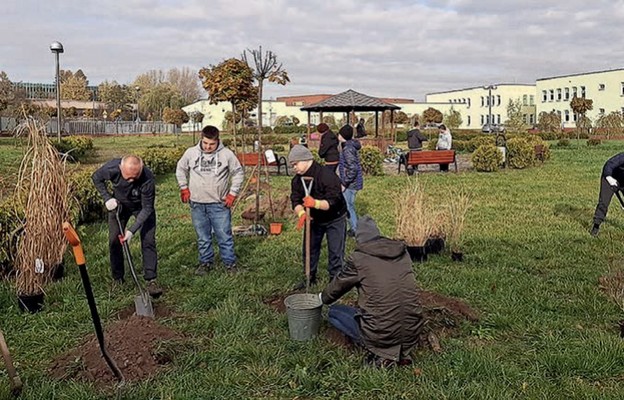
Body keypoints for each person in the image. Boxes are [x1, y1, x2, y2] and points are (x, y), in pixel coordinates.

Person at [318, 215, 425, 367]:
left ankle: (382, 356)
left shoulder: (359, 258)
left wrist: (321, 298)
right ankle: (401, 353)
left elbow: (337, 287)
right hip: (412, 330)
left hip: (382, 336)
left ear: (359, 239)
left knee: (335, 312)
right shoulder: (403, 253)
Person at [175, 125, 244, 275]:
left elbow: (238, 172)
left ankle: (230, 263)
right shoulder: (191, 153)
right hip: (197, 204)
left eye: (212, 144)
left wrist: (232, 193)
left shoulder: (226, 154)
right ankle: (205, 262)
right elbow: (180, 169)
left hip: (219, 204)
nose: (208, 147)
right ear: (201, 139)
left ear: (218, 141)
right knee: (203, 236)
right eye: (205, 143)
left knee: (224, 235)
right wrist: (184, 187)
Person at [92, 155, 163, 297]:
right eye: (128, 177)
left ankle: (151, 279)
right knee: (114, 241)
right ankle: (118, 278)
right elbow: (96, 177)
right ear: (120, 168)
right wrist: (107, 198)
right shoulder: (112, 168)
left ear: (141, 169)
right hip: (119, 206)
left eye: (135, 177)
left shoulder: (147, 178)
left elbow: (147, 208)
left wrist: (131, 230)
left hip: (141, 207)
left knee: (148, 240)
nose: (131, 180)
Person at [289, 144, 347, 289]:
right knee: (310, 248)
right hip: (314, 219)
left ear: (305, 160)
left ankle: (335, 281)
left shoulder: (327, 175)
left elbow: (334, 201)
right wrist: (301, 213)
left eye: (295, 164)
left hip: (335, 217)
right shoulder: (297, 180)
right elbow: (295, 200)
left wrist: (315, 203)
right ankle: (309, 276)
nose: (294, 168)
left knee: (335, 250)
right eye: (292, 165)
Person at [337, 125, 363, 237]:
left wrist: (345, 183)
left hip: (350, 183)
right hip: (352, 182)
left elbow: (353, 168)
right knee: (348, 205)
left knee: (348, 206)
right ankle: (353, 227)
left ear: (342, 136)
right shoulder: (349, 146)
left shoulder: (347, 149)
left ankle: (355, 229)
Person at [590, 152, 624, 236]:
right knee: (603, 203)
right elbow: (609, 165)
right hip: (609, 177)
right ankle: (596, 225)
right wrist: (610, 179)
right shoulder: (622, 157)